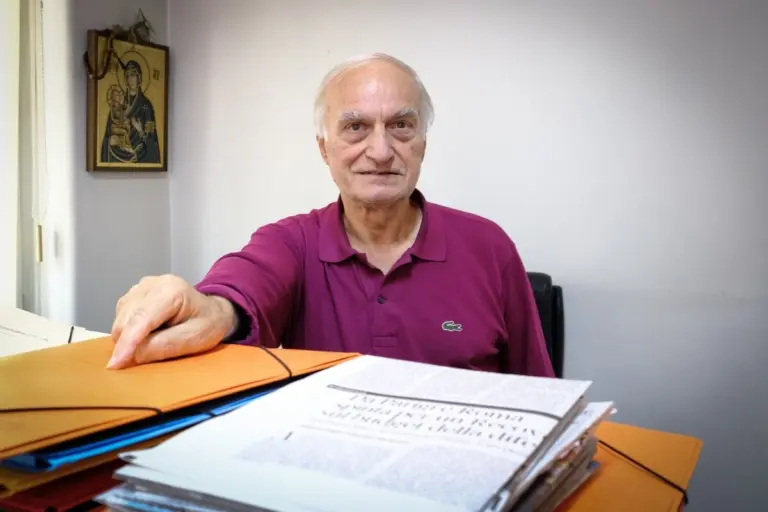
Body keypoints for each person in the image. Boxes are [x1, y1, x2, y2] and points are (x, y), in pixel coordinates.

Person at [108, 53, 555, 378]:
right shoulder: (292, 243)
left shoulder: (489, 247)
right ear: (325, 148)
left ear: (423, 142)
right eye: (356, 127)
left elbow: (540, 394)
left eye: (401, 126)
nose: (381, 151)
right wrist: (210, 309)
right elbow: (242, 288)